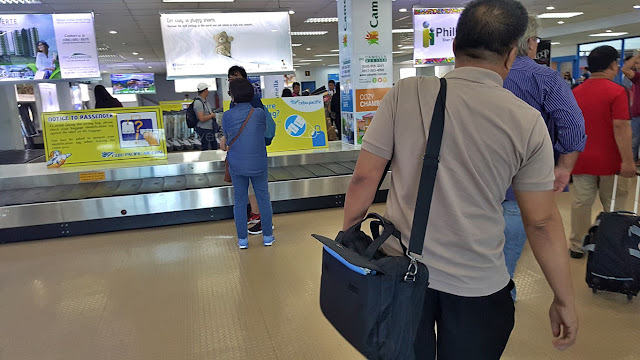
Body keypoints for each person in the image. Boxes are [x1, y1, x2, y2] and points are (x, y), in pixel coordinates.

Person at [341, 0, 578, 357]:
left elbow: (363, 180)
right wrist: (563, 298)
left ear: (453, 46)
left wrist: (349, 247)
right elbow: (541, 221)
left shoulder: (405, 94)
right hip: (478, 283)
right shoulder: (527, 121)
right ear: (512, 55)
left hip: (400, 271)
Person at [502, 15, 586, 300]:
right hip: (522, 187)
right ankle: (498, 322)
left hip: (472, 188)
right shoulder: (544, 77)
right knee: (505, 268)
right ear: (531, 43)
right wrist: (564, 167)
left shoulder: (473, 78)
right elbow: (573, 126)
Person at [569, 46, 636, 259]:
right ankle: (612, 246)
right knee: (614, 205)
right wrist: (628, 161)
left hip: (581, 159)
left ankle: (577, 245)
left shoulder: (575, 92)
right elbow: (621, 127)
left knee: (581, 203)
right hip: (611, 161)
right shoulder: (617, 91)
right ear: (613, 66)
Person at [220, 78, 274, 249]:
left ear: (233, 96)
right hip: (258, 162)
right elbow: (264, 132)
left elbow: (228, 139)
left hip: (237, 163)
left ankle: (243, 240)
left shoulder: (227, 115)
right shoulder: (258, 113)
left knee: (240, 200)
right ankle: (267, 237)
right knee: (263, 198)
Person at [622, 54, 640, 163]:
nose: (638, 65)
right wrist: (637, 55)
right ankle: (632, 162)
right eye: (637, 63)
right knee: (634, 140)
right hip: (636, 113)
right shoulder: (637, 77)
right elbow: (624, 69)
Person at [193, 83, 219, 151]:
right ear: (204, 90)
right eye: (207, 90)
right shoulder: (198, 102)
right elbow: (201, 118)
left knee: (214, 146)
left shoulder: (205, 102)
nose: (208, 91)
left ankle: (213, 160)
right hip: (204, 129)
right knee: (206, 148)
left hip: (209, 128)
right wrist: (211, 115)